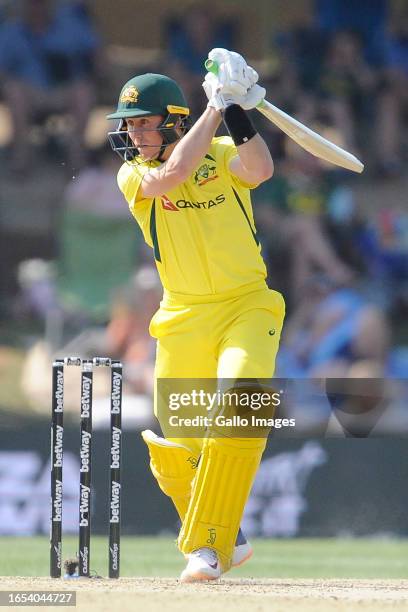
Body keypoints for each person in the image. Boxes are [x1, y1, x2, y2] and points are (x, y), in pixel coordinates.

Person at [107, 49, 285, 582]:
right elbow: (173, 174)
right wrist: (216, 104)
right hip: (182, 316)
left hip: (246, 305)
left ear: (172, 120)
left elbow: (262, 168)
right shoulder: (133, 176)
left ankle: (207, 548)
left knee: (239, 409)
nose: (134, 135)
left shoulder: (224, 154)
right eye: (129, 125)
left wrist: (235, 109)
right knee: (172, 453)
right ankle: (227, 536)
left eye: (143, 123)